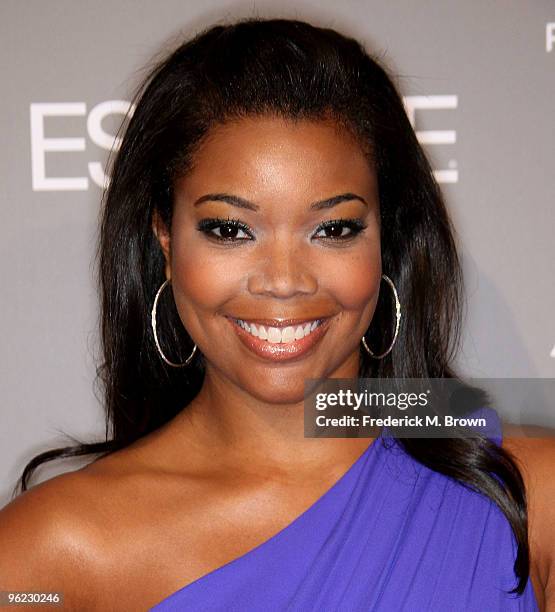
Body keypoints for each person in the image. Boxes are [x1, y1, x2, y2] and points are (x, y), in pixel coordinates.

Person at [0, 17, 553, 611]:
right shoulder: (54, 550)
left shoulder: (529, 498)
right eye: (231, 229)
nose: (285, 281)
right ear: (164, 237)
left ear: (387, 239)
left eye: (334, 228)